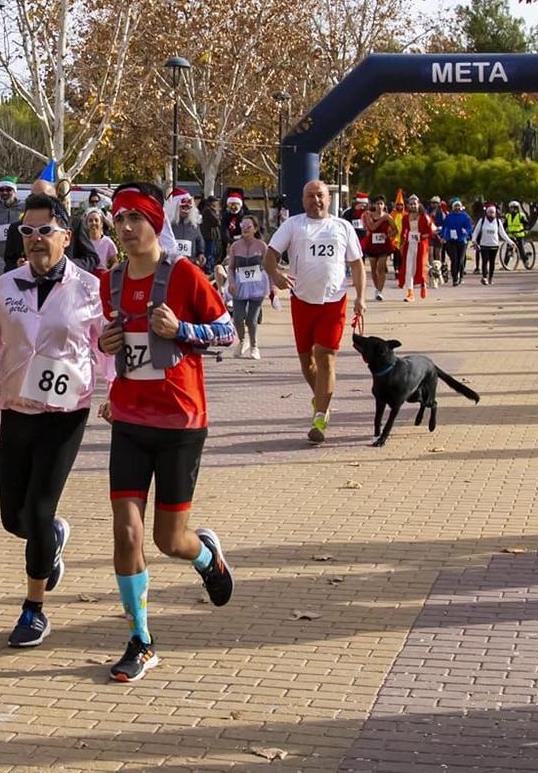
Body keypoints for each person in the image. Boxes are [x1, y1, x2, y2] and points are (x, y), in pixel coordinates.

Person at [97, 182, 237, 682]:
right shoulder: (109, 280)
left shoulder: (184, 274)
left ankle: (205, 556)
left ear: (157, 221)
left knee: (167, 540)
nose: (128, 227)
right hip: (131, 420)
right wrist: (106, 340)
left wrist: (182, 330)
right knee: (127, 531)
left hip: (180, 422)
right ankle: (141, 639)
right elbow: (114, 344)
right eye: (120, 219)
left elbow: (227, 332)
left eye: (137, 217)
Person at [0, 191, 108, 648]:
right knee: (13, 518)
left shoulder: (89, 289)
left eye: (45, 231)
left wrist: (115, 392)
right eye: (27, 231)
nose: (36, 240)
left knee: (39, 510)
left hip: (66, 413)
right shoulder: (5, 288)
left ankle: (33, 609)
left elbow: (107, 348)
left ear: (65, 234)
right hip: (17, 408)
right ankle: (50, 538)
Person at [266, 179, 366, 444]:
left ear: (329, 199)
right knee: (307, 362)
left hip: (334, 301)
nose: (316, 200)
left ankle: (320, 417)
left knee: (326, 357)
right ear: (303, 200)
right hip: (302, 300)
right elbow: (270, 255)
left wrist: (361, 298)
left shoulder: (342, 227)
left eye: (320, 195)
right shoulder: (293, 225)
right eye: (310, 196)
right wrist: (275, 274)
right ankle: (322, 398)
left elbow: (357, 265)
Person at [222, 215, 271, 359]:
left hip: (257, 286)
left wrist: (272, 287)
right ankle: (242, 340)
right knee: (237, 318)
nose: (245, 229)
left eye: (248, 226)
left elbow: (269, 266)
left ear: (255, 229)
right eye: (242, 226)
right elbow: (230, 268)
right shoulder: (235, 246)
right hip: (240, 285)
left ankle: (254, 346)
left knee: (251, 319)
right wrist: (231, 282)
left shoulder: (262, 246)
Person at [397, 195, 433, 302]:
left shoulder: (425, 217)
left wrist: (422, 236)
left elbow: (430, 232)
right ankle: (410, 292)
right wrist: (402, 242)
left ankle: (423, 284)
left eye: (415, 203)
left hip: (421, 245)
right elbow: (404, 231)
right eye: (411, 204)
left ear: (418, 204)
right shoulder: (405, 217)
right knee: (409, 268)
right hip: (410, 244)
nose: (413, 205)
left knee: (421, 266)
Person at [361, 198, 396, 299]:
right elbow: (372, 227)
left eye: (381, 204)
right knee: (373, 268)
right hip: (372, 244)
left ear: (384, 205)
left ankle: (380, 291)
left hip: (384, 245)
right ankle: (377, 288)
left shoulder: (388, 217)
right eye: (377, 204)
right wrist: (382, 219)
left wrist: (388, 236)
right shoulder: (369, 215)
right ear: (374, 205)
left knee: (381, 268)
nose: (379, 206)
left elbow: (395, 230)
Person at [437, 199, 472, 286]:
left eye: (458, 206)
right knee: (454, 259)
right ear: (453, 207)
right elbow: (445, 227)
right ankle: (455, 278)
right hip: (451, 240)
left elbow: (469, 228)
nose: (457, 207)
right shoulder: (449, 217)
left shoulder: (465, 217)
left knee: (460, 260)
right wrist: (443, 237)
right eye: (455, 206)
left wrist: (466, 231)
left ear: (461, 207)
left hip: (462, 240)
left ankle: (461, 276)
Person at [471, 203, 505, 285]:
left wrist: (511, 242)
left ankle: (490, 278)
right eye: (489, 212)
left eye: (493, 212)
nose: (491, 214)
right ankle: (484, 277)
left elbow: (503, 233)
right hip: (484, 245)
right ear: (487, 212)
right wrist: (473, 240)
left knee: (492, 262)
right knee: (485, 261)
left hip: (494, 245)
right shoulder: (482, 221)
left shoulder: (498, 221)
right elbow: (476, 231)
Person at [165, 189, 203, 264]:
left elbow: (199, 239)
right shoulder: (168, 224)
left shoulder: (193, 224)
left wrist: (201, 253)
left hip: (190, 262)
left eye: (188, 208)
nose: (186, 210)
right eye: (183, 207)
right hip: (171, 263)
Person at [503, 201, 530, 267]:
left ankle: (525, 261)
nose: (511, 209)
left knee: (521, 249)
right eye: (511, 208)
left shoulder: (520, 215)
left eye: (513, 208)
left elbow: (526, 224)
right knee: (508, 250)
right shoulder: (508, 216)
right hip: (511, 235)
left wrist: (525, 229)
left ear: (516, 208)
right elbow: (505, 225)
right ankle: (505, 265)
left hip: (519, 235)